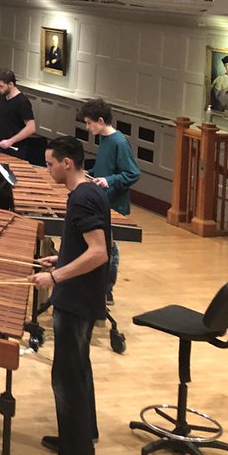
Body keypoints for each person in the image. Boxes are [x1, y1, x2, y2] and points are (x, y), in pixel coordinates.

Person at [28, 136, 111, 455]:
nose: (47, 169)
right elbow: (85, 245)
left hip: (76, 300)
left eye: (50, 163)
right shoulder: (90, 190)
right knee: (78, 370)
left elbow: (99, 252)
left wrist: (56, 276)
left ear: (67, 163)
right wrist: (60, 259)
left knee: (66, 378)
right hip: (81, 294)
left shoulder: (82, 198)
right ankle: (81, 436)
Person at [79, 98, 140, 305]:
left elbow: (132, 174)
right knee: (100, 245)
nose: (87, 127)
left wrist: (108, 180)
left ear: (101, 120)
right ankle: (95, 284)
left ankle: (107, 290)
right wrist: (91, 174)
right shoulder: (104, 139)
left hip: (114, 205)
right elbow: (106, 167)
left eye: (89, 122)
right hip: (102, 201)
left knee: (110, 248)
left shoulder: (119, 141)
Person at [0, 69, 37, 154]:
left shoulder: (22, 102)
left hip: (13, 149)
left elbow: (31, 128)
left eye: (1, 86)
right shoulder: (3, 97)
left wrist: (10, 141)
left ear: (11, 84)